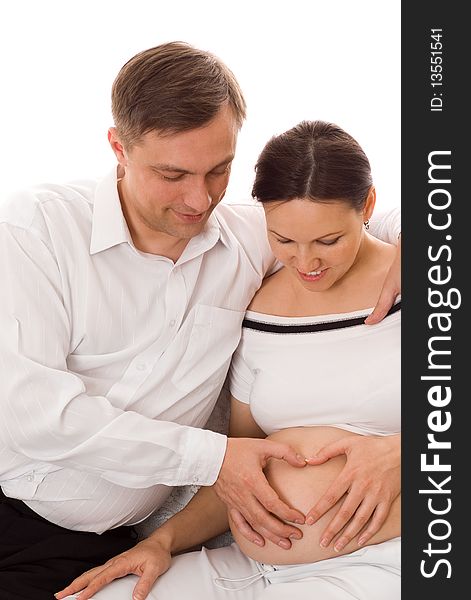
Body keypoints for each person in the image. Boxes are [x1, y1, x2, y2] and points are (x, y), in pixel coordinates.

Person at [0, 42, 401, 599]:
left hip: (117, 537)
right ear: (119, 147)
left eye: (219, 170)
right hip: (15, 515)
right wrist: (215, 458)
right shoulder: (37, 231)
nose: (199, 198)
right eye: (172, 174)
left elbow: (344, 218)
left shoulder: (252, 238)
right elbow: (35, 415)